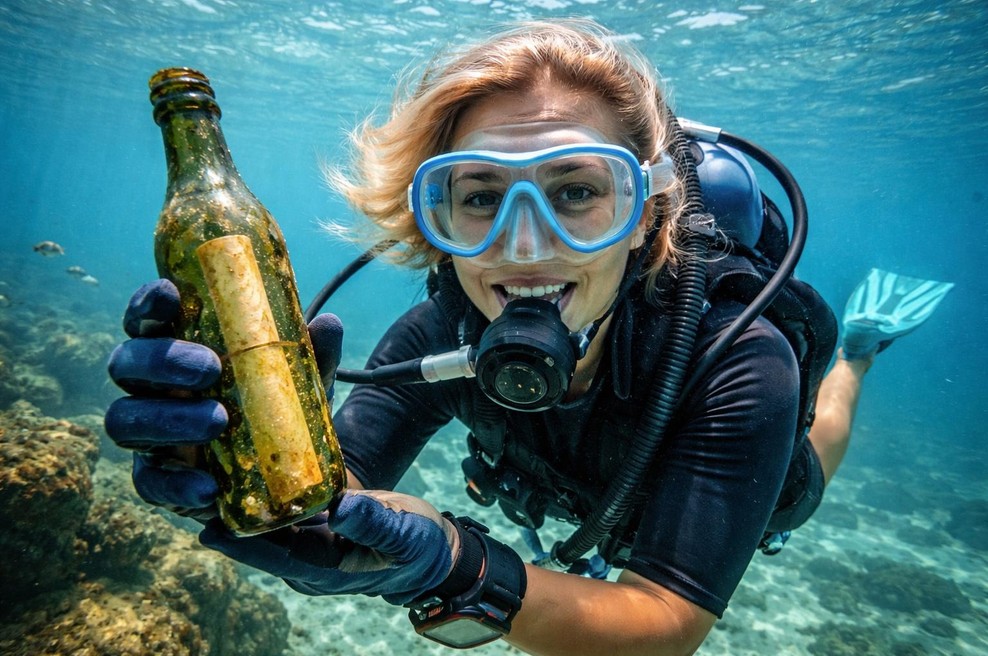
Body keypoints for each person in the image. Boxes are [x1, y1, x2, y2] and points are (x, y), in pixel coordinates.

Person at [104, 19, 953, 655]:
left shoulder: (737, 357)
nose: (523, 243)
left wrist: (457, 569)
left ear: (643, 214)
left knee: (814, 456)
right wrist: (240, 460)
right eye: (478, 197)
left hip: (743, 470)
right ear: (437, 220)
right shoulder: (441, 331)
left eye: (577, 191)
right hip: (574, 494)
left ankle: (860, 350)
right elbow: (329, 505)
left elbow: (665, 623)